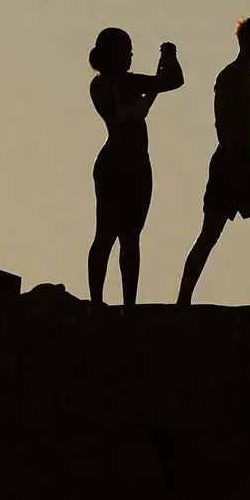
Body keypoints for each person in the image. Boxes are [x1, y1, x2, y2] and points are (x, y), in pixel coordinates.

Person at [177, 16, 250, 309]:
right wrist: (234, 163)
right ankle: (183, 301)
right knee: (211, 233)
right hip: (232, 161)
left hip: (245, 159)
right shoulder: (230, 77)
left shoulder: (247, 77)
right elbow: (223, 122)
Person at [86, 28, 184, 306]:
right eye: (127, 50)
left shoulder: (98, 86)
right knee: (129, 237)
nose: (131, 55)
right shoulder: (127, 83)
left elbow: (148, 96)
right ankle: (128, 304)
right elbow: (173, 81)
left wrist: (158, 75)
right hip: (132, 165)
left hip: (110, 162)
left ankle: (97, 302)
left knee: (104, 234)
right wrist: (170, 55)